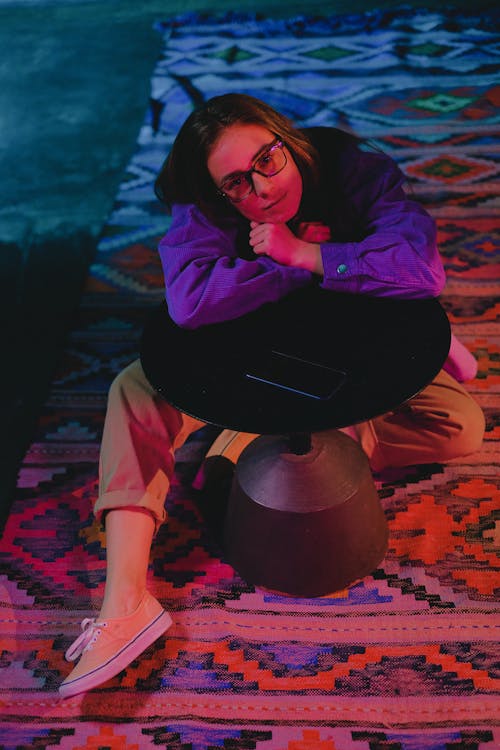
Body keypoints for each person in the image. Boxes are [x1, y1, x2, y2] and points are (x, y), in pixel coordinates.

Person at [59, 93, 485, 698]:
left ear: (287, 139)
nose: (260, 189)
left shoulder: (353, 169)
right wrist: (294, 267)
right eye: (237, 183)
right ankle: (125, 603)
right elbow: (191, 300)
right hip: (248, 352)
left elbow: (421, 270)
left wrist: (307, 252)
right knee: (133, 389)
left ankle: (269, 436)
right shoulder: (207, 202)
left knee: (460, 425)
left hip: (351, 345)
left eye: (268, 160)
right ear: (218, 190)